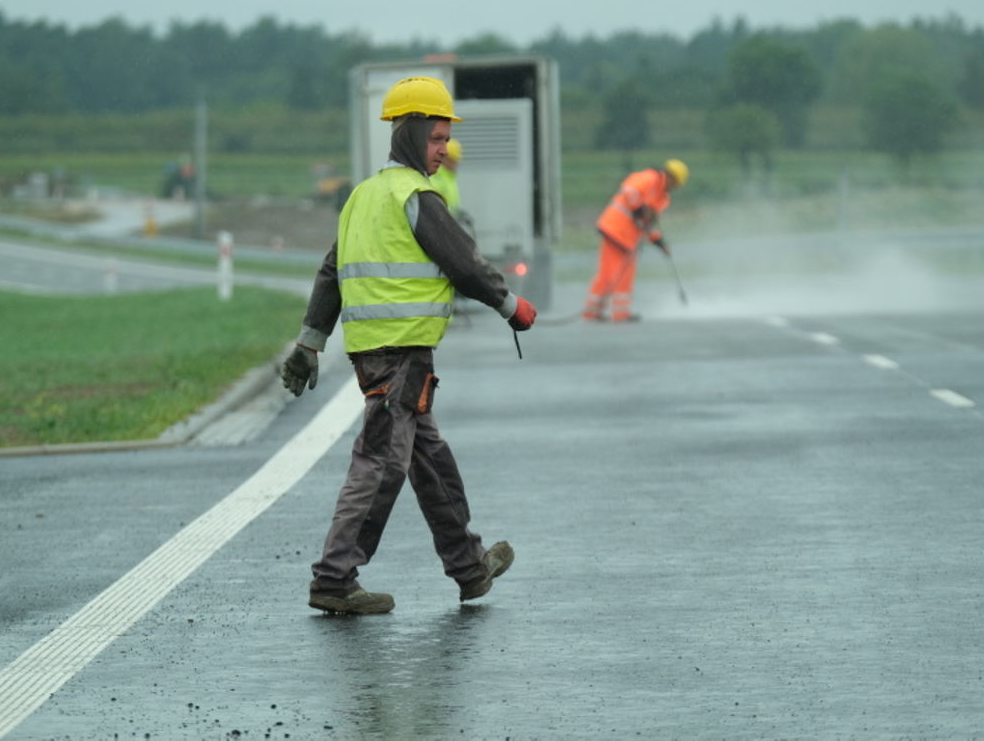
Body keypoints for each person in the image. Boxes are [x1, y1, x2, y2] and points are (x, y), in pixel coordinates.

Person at [279, 75, 538, 615]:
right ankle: (333, 577)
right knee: (380, 463)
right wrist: (509, 306)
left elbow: (332, 271)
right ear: (412, 132)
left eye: (447, 140)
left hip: (390, 353)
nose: (444, 150)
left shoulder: (363, 197)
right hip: (397, 354)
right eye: (438, 139)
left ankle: (469, 569)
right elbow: (462, 261)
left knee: (429, 460)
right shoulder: (414, 196)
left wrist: (310, 342)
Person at [582, 158, 689, 323]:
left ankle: (620, 314)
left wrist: (659, 242)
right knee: (609, 274)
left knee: (625, 276)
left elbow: (649, 224)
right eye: (675, 183)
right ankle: (592, 311)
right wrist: (639, 209)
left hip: (629, 240)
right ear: (670, 176)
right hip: (614, 229)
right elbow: (629, 191)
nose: (674, 187)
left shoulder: (663, 199)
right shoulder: (649, 178)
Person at [429, 137, 462, 211]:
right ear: (445, 158)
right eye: (453, 160)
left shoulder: (449, 178)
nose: (456, 164)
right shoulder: (436, 178)